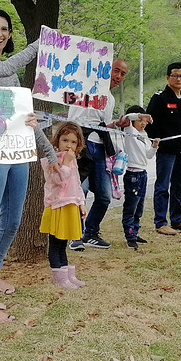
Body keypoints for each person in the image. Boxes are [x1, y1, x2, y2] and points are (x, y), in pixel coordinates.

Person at [0, 8, 56, 323]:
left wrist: (49, 153)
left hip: (17, 152)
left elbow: (23, 119)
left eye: (4, 29)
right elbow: (4, 66)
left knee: (12, 221)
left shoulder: (13, 76)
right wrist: (38, 45)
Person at [67, 58, 128, 250]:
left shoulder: (110, 99)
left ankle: (91, 232)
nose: (117, 77)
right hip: (81, 147)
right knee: (80, 191)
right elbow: (76, 120)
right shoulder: (84, 88)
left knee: (104, 195)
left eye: (122, 74)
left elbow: (103, 125)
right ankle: (74, 234)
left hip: (100, 148)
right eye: (115, 71)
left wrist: (117, 125)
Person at [40, 121, 88, 289]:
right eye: (65, 140)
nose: (69, 145)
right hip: (57, 206)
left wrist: (81, 203)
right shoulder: (51, 161)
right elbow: (58, 180)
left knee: (64, 243)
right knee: (56, 242)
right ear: (57, 141)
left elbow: (77, 183)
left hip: (70, 205)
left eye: (73, 142)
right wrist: (66, 162)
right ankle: (59, 278)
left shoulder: (72, 160)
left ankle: (68, 275)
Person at [147, 63, 181, 235]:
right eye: (175, 75)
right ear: (168, 78)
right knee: (162, 186)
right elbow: (150, 123)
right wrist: (156, 139)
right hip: (167, 150)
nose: (179, 79)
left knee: (179, 185)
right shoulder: (160, 98)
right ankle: (160, 222)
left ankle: (177, 219)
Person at [120, 105, 158, 248]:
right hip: (132, 174)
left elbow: (148, 155)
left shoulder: (144, 135)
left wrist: (154, 146)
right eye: (140, 120)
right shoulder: (128, 130)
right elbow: (126, 118)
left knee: (139, 206)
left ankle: (135, 232)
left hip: (143, 174)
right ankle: (129, 236)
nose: (143, 123)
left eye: (145, 121)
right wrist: (138, 115)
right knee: (131, 206)